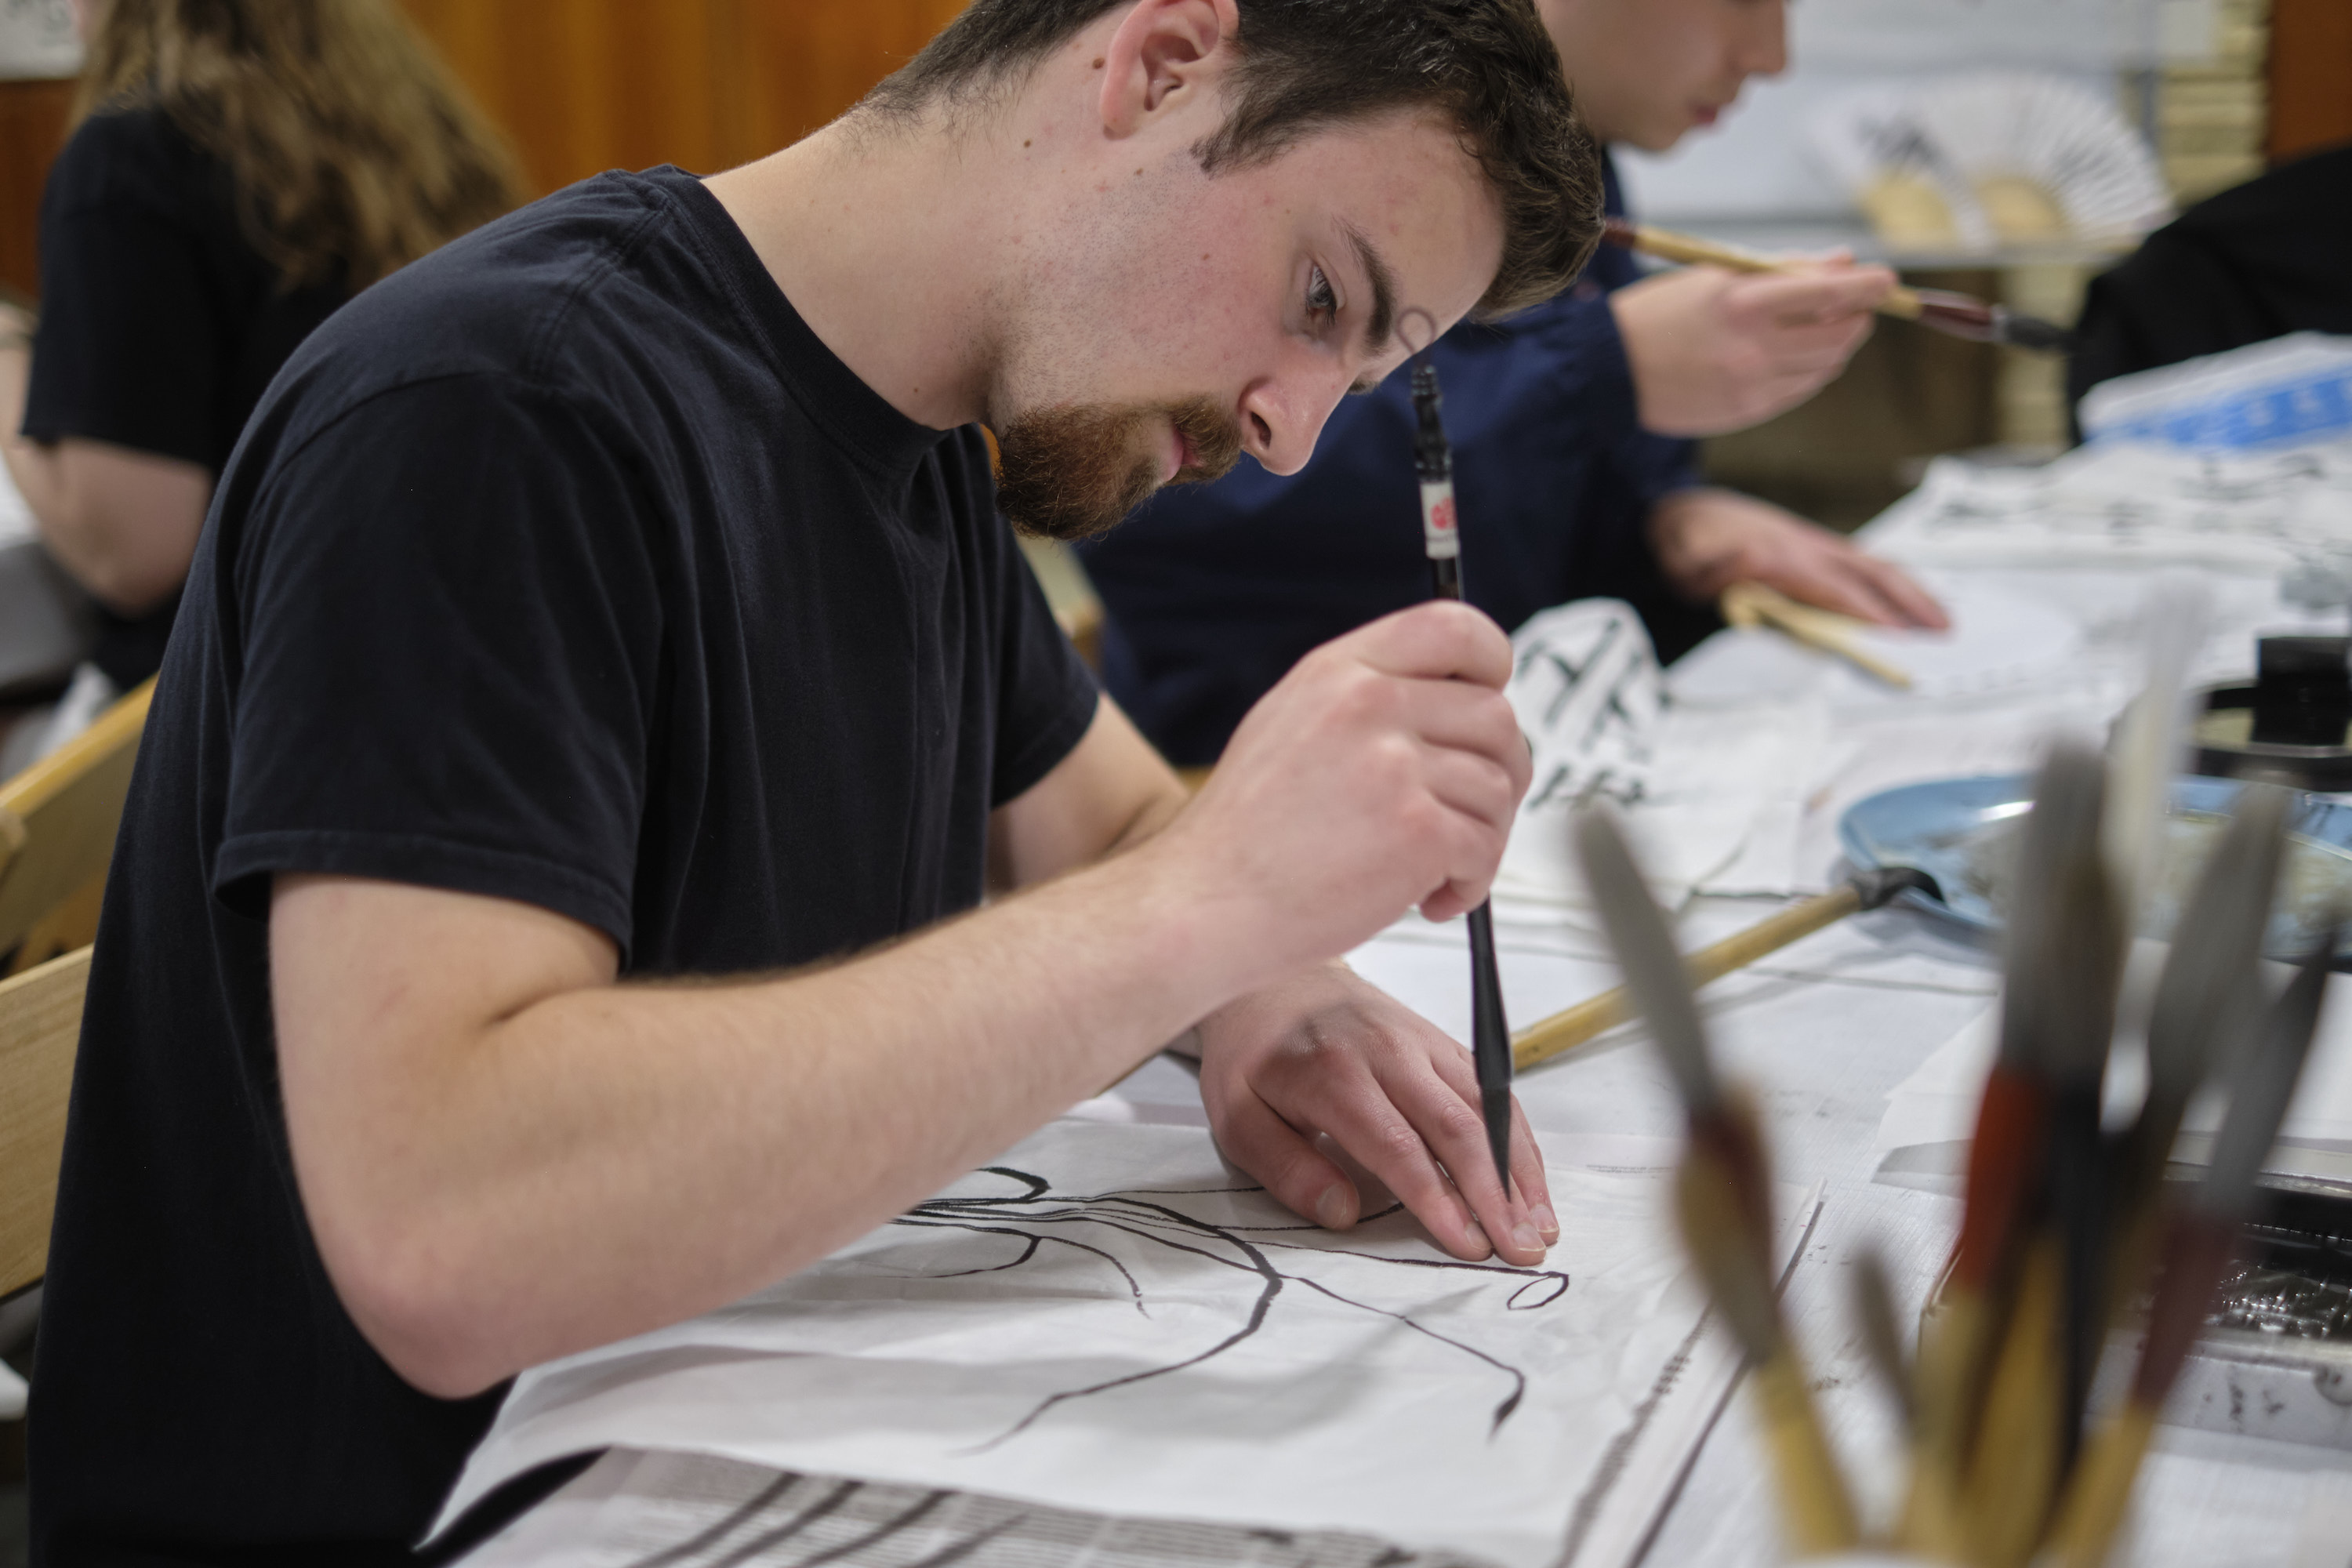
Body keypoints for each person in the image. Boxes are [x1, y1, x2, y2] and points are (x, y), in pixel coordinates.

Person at [28, 0, 1597, 1559]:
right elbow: (449, 1231)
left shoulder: (911, 444)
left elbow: (1114, 821)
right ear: (1158, 67)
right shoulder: (496, 411)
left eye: (1366, 373)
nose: (1290, 438)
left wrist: (1273, 988)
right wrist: (1206, 910)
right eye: (1320, 297)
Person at [1076, 0, 1949, 767]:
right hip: (1246, 775)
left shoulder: (1571, 159)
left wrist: (1667, 519)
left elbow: (1551, 514)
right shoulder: (1339, 109)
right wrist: (1595, 376)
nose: (1773, 56)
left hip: (1515, 752)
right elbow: (1177, 512)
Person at [0, 0, 520, 730]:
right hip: (434, 662)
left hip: (233, 713)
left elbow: (135, 556)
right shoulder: (420, 138)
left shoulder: (130, 156)